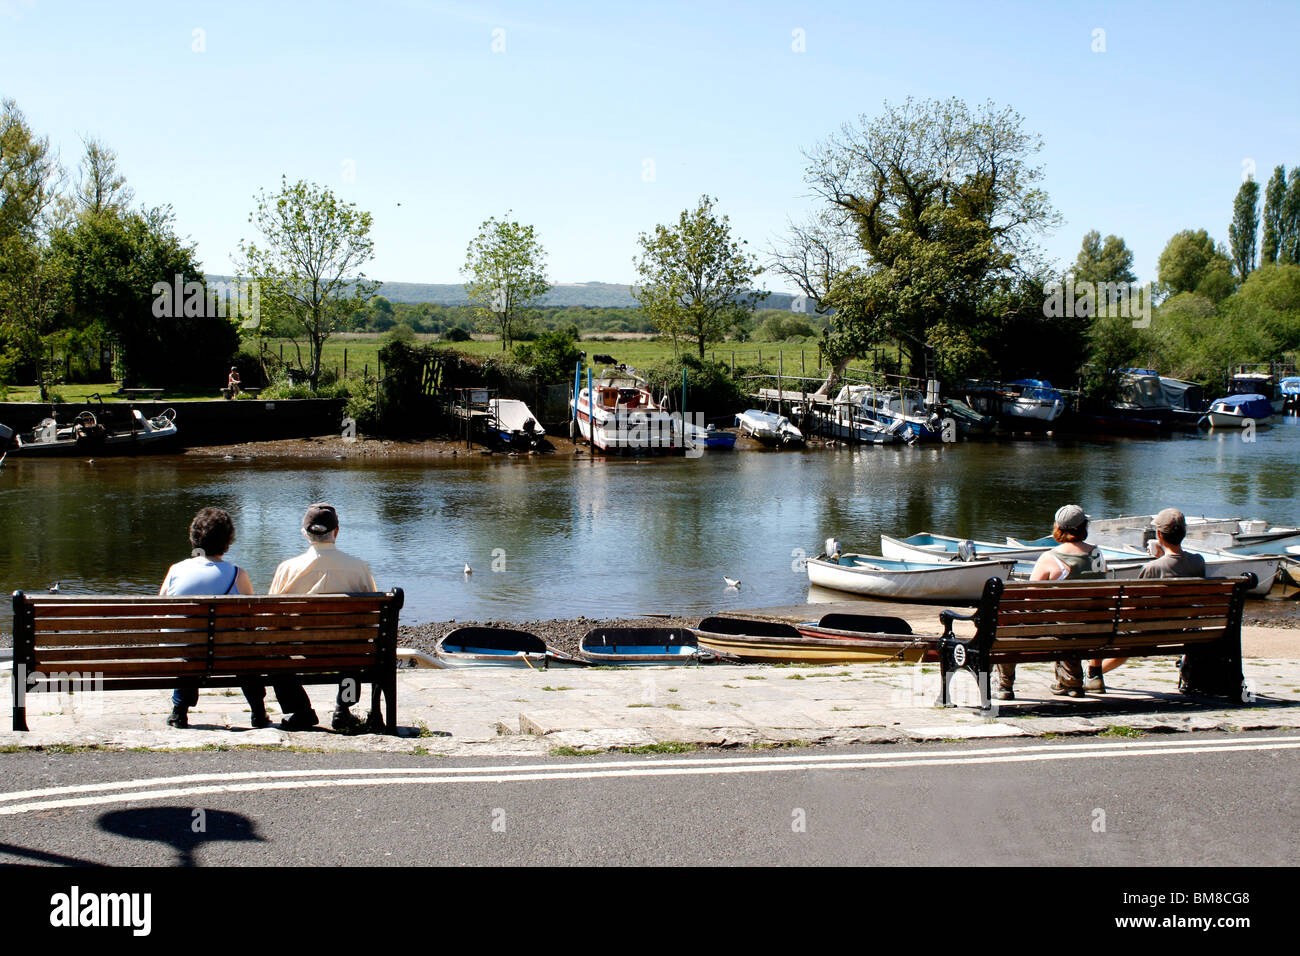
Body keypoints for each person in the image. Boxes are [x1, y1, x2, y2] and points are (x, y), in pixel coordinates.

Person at [268, 503, 378, 731]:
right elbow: (371, 616)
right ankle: (343, 707)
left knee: (273, 651)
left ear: (305, 533)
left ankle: (300, 710)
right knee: (357, 645)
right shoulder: (358, 568)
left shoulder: (287, 569)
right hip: (347, 650)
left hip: (301, 648)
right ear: (336, 532)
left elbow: (273, 617)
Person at [161, 508, 268, 729]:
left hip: (189, 654)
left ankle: (179, 712)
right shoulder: (238, 574)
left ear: (193, 538)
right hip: (231, 654)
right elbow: (252, 619)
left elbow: (161, 612)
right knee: (243, 650)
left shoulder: (176, 570)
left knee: (192, 646)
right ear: (228, 541)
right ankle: (258, 712)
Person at [994, 504, 1106, 701]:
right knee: (1064, 624)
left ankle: (1005, 685)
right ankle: (1070, 682)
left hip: (1059, 629)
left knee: (1007, 630)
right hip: (1091, 627)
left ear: (1058, 528)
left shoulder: (1050, 557)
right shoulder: (1097, 554)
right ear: (1084, 527)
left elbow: (1030, 600)